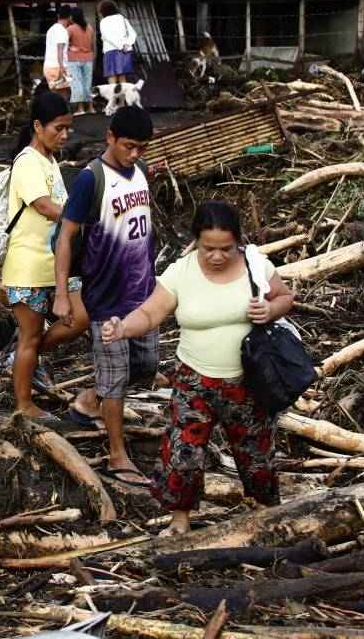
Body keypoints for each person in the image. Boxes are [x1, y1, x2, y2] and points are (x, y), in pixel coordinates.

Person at [101, 201, 294, 536]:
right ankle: (180, 518)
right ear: (196, 242)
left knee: (256, 450)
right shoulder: (182, 271)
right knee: (184, 450)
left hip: (248, 380)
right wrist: (123, 328)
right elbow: (150, 313)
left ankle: (265, 511)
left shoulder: (255, 265)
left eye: (226, 249)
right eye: (208, 249)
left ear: (238, 243)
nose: (217, 256)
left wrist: (270, 308)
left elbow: (284, 296)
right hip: (194, 380)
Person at [53, 104, 156, 487]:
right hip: (107, 294)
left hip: (142, 291)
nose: (135, 154)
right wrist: (63, 293)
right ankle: (117, 455)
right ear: (110, 137)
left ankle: (88, 400)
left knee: (145, 366)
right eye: (129, 146)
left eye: (142, 147)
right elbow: (64, 236)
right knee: (116, 376)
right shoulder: (90, 179)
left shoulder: (142, 172)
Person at [2, 93, 89, 425]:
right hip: (28, 267)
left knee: (81, 317)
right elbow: (44, 206)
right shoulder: (27, 161)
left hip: (59, 263)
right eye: (59, 128)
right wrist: (81, 222)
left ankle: (25, 359)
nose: (65, 135)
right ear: (38, 126)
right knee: (31, 334)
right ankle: (23, 405)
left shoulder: (50, 160)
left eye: (68, 128)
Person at [98, 0, 137, 85]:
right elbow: (133, 33)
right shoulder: (123, 19)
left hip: (110, 51)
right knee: (122, 80)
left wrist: (120, 46)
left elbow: (107, 36)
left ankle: (113, 99)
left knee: (112, 80)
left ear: (102, 10)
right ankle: (122, 99)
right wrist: (128, 44)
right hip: (124, 51)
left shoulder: (104, 21)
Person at [65, 7, 96, 116]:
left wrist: (70, 48)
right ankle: (91, 108)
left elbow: (63, 43)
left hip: (74, 59)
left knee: (77, 83)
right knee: (88, 83)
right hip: (88, 58)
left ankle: (80, 109)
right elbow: (91, 44)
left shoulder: (70, 29)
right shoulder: (90, 28)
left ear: (72, 17)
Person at [43, 5, 73, 98]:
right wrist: (61, 66)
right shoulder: (62, 31)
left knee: (55, 97)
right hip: (58, 67)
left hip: (48, 66)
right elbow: (59, 49)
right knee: (64, 96)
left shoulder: (51, 29)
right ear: (70, 17)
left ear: (58, 16)